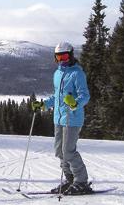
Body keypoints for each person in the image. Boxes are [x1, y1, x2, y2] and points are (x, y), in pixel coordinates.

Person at [31, 42, 92, 195]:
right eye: (58, 57)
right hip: (58, 119)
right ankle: (70, 179)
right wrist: (43, 104)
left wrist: (75, 103)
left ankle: (82, 181)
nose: (62, 60)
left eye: (64, 56)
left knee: (68, 151)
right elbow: (56, 97)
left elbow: (85, 96)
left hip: (72, 119)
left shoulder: (78, 74)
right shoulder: (57, 74)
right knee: (59, 152)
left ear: (70, 55)